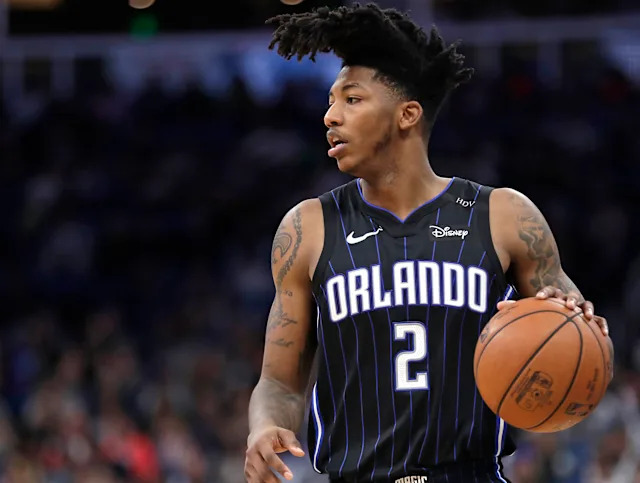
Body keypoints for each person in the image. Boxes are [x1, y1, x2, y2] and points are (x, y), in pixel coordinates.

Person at [244, 3, 612, 482]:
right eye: (331, 101)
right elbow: (279, 382)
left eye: (352, 100)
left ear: (407, 114)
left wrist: (579, 322)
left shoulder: (503, 215)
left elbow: (578, 333)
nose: (330, 116)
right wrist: (264, 426)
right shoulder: (307, 228)